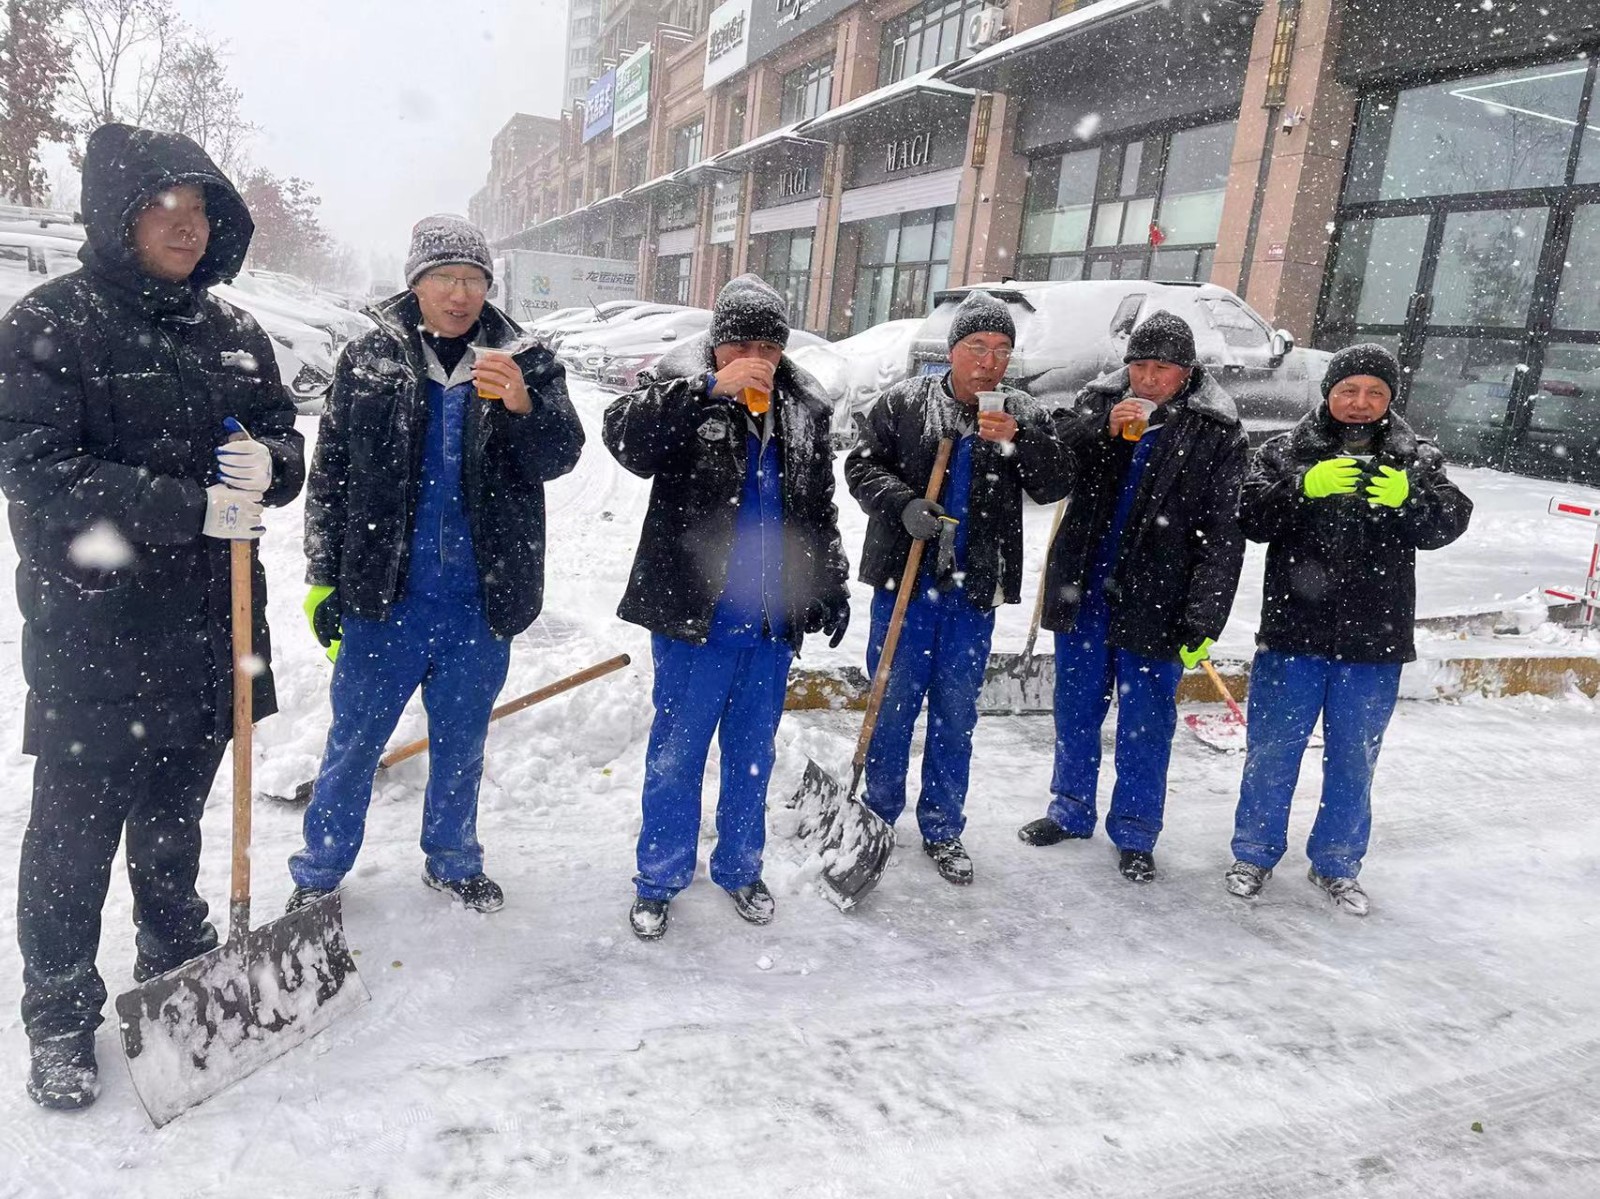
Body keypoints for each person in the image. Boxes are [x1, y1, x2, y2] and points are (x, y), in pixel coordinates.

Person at [0, 123, 304, 1110]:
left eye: (200, 207)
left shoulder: (237, 332)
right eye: (164, 206)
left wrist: (271, 467)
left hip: (213, 637)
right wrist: (190, 508)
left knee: (172, 827)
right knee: (71, 845)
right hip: (98, 638)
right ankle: (56, 1010)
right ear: (118, 216)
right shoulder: (52, 325)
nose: (186, 225)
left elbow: (280, 448)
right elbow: (39, 481)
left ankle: (176, 961)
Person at [289, 215, 583, 916]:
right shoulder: (370, 360)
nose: (461, 293)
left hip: (480, 600)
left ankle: (452, 859)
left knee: (461, 745)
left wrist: (520, 403)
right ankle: (320, 869)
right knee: (353, 743)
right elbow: (332, 474)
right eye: (446, 278)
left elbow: (561, 454)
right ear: (416, 283)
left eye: (474, 279)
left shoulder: (528, 360)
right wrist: (323, 576)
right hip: (385, 595)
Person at [604, 274, 850, 940]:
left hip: (770, 623)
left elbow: (818, 507)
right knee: (677, 756)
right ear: (715, 345)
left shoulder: (805, 405)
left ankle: (741, 868)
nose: (755, 356)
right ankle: (658, 877)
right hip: (695, 618)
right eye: (739, 342)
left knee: (752, 755)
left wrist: (830, 582)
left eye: (768, 343)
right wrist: (705, 390)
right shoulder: (680, 389)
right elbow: (625, 441)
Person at [1224, 344, 1471, 915]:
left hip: (1373, 641)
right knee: (1272, 752)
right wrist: (1302, 487)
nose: (1360, 404)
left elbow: (1448, 522)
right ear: (1328, 394)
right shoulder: (1285, 451)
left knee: (1355, 758)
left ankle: (1337, 864)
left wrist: (1409, 500)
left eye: (1375, 393)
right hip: (1292, 635)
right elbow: (1250, 517)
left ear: (1390, 400)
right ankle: (1253, 854)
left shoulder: (1414, 457)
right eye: (1348, 391)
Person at [845, 291, 1072, 885]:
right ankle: (878, 813)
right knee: (890, 707)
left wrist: (1019, 439)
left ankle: (943, 826)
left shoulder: (1025, 413)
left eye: (1002, 350)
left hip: (975, 594)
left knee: (955, 713)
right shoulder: (904, 404)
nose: (989, 362)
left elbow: (1053, 486)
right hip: (907, 585)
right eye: (977, 347)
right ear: (952, 351)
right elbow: (861, 467)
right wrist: (902, 504)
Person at [1018, 310, 1247, 884]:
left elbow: (1225, 533)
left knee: (1146, 723)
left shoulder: (1215, 431)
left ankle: (1137, 832)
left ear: (1186, 371)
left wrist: (1204, 615)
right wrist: (1100, 430)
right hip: (1086, 589)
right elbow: (1051, 469)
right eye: (1139, 365)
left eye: (1162, 367)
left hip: (1158, 599)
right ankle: (1069, 810)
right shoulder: (1098, 406)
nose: (1147, 378)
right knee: (1075, 710)